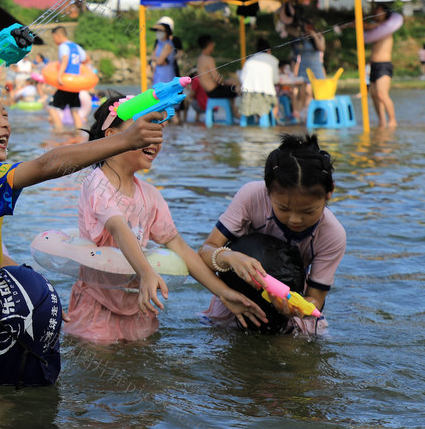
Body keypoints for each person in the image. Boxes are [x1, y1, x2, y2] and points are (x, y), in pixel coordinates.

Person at [0, 74, 166, 397]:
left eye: (5, 113)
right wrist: (124, 140)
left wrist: (44, 301)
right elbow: (48, 163)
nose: (5, 122)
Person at [64, 98, 265, 343]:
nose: (155, 140)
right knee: (103, 374)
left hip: (138, 304)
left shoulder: (150, 195)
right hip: (97, 303)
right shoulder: (96, 183)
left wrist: (223, 293)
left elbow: (179, 246)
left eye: (157, 131)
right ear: (111, 136)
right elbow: (117, 227)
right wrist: (147, 272)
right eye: (143, 129)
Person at [199, 134, 345, 335]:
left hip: (288, 301)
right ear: (268, 190)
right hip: (235, 294)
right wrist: (229, 257)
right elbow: (205, 252)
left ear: (329, 193)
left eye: (308, 211)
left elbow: (316, 298)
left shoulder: (332, 234)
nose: (295, 219)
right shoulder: (251, 196)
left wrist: (299, 307)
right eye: (283, 208)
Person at [364, 3, 399, 127]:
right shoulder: (376, 30)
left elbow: (368, 25)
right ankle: (382, 121)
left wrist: (353, 24)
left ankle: (393, 120)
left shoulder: (386, 27)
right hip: (374, 66)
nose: (375, 13)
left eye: (378, 11)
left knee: (381, 94)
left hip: (384, 65)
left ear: (385, 13)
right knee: (373, 95)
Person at [48, 26, 87, 130]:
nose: (54, 40)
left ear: (58, 35)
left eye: (54, 37)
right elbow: (84, 58)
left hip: (66, 82)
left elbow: (65, 59)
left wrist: (59, 76)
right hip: (76, 83)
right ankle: (80, 133)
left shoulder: (63, 46)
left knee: (52, 108)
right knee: (74, 110)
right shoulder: (76, 46)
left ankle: (59, 131)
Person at [196, 34, 240, 116]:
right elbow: (217, 78)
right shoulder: (209, 59)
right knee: (238, 86)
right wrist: (227, 82)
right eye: (213, 44)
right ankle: (240, 113)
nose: (213, 46)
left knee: (233, 84)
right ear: (209, 44)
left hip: (209, 91)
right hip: (215, 91)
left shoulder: (200, 58)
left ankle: (233, 111)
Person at [238, 37, 280, 120]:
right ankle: (274, 121)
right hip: (266, 95)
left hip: (247, 96)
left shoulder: (249, 60)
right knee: (276, 103)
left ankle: (257, 120)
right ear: (269, 50)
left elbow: (242, 79)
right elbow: (276, 80)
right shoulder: (273, 60)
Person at [149, 16, 177, 85]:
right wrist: (159, 59)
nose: (158, 32)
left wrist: (158, 59)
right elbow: (152, 57)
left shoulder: (168, 45)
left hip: (166, 75)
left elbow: (159, 61)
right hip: (158, 74)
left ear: (166, 32)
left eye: (160, 31)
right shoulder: (159, 43)